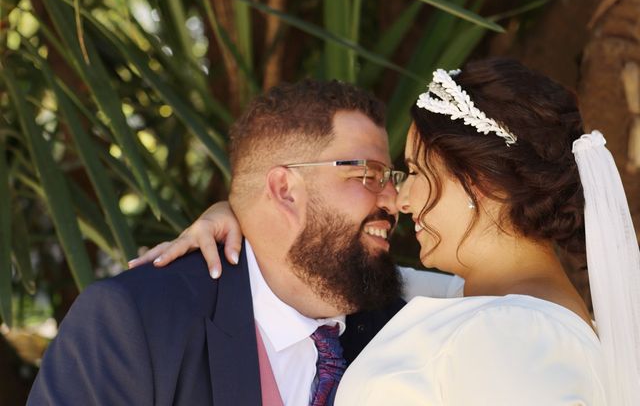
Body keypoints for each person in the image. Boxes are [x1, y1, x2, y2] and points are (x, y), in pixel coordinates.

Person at [138, 59, 640, 405]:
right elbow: (322, 265)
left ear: (482, 183)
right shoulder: (478, 304)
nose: (401, 200)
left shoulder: (520, 334)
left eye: (417, 172)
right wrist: (239, 211)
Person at [27, 79, 408, 405]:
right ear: (285, 190)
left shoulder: (399, 330)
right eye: (370, 175)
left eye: (392, 177)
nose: (394, 200)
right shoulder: (136, 322)